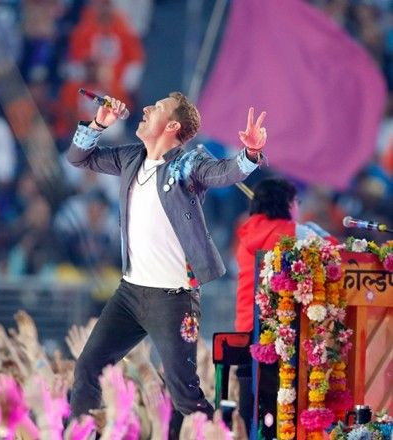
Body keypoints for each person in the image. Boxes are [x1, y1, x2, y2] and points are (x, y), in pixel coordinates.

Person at [66, 91, 267, 438]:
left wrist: (249, 154)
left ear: (172, 125)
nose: (144, 108)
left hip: (173, 300)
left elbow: (225, 172)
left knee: (185, 393)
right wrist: (99, 124)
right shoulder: (130, 158)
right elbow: (78, 157)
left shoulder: (186, 165)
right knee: (88, 367)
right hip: (130, 294)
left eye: (155, 108)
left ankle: (221, 435)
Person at [233, 177, 334, 437]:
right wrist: (317, 232)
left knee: (255, 399)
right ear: (289, 204)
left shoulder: (246, 231)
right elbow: (334, 253)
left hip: (246, 325)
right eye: (296, 202)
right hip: (285, 331)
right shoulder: (296, 233)